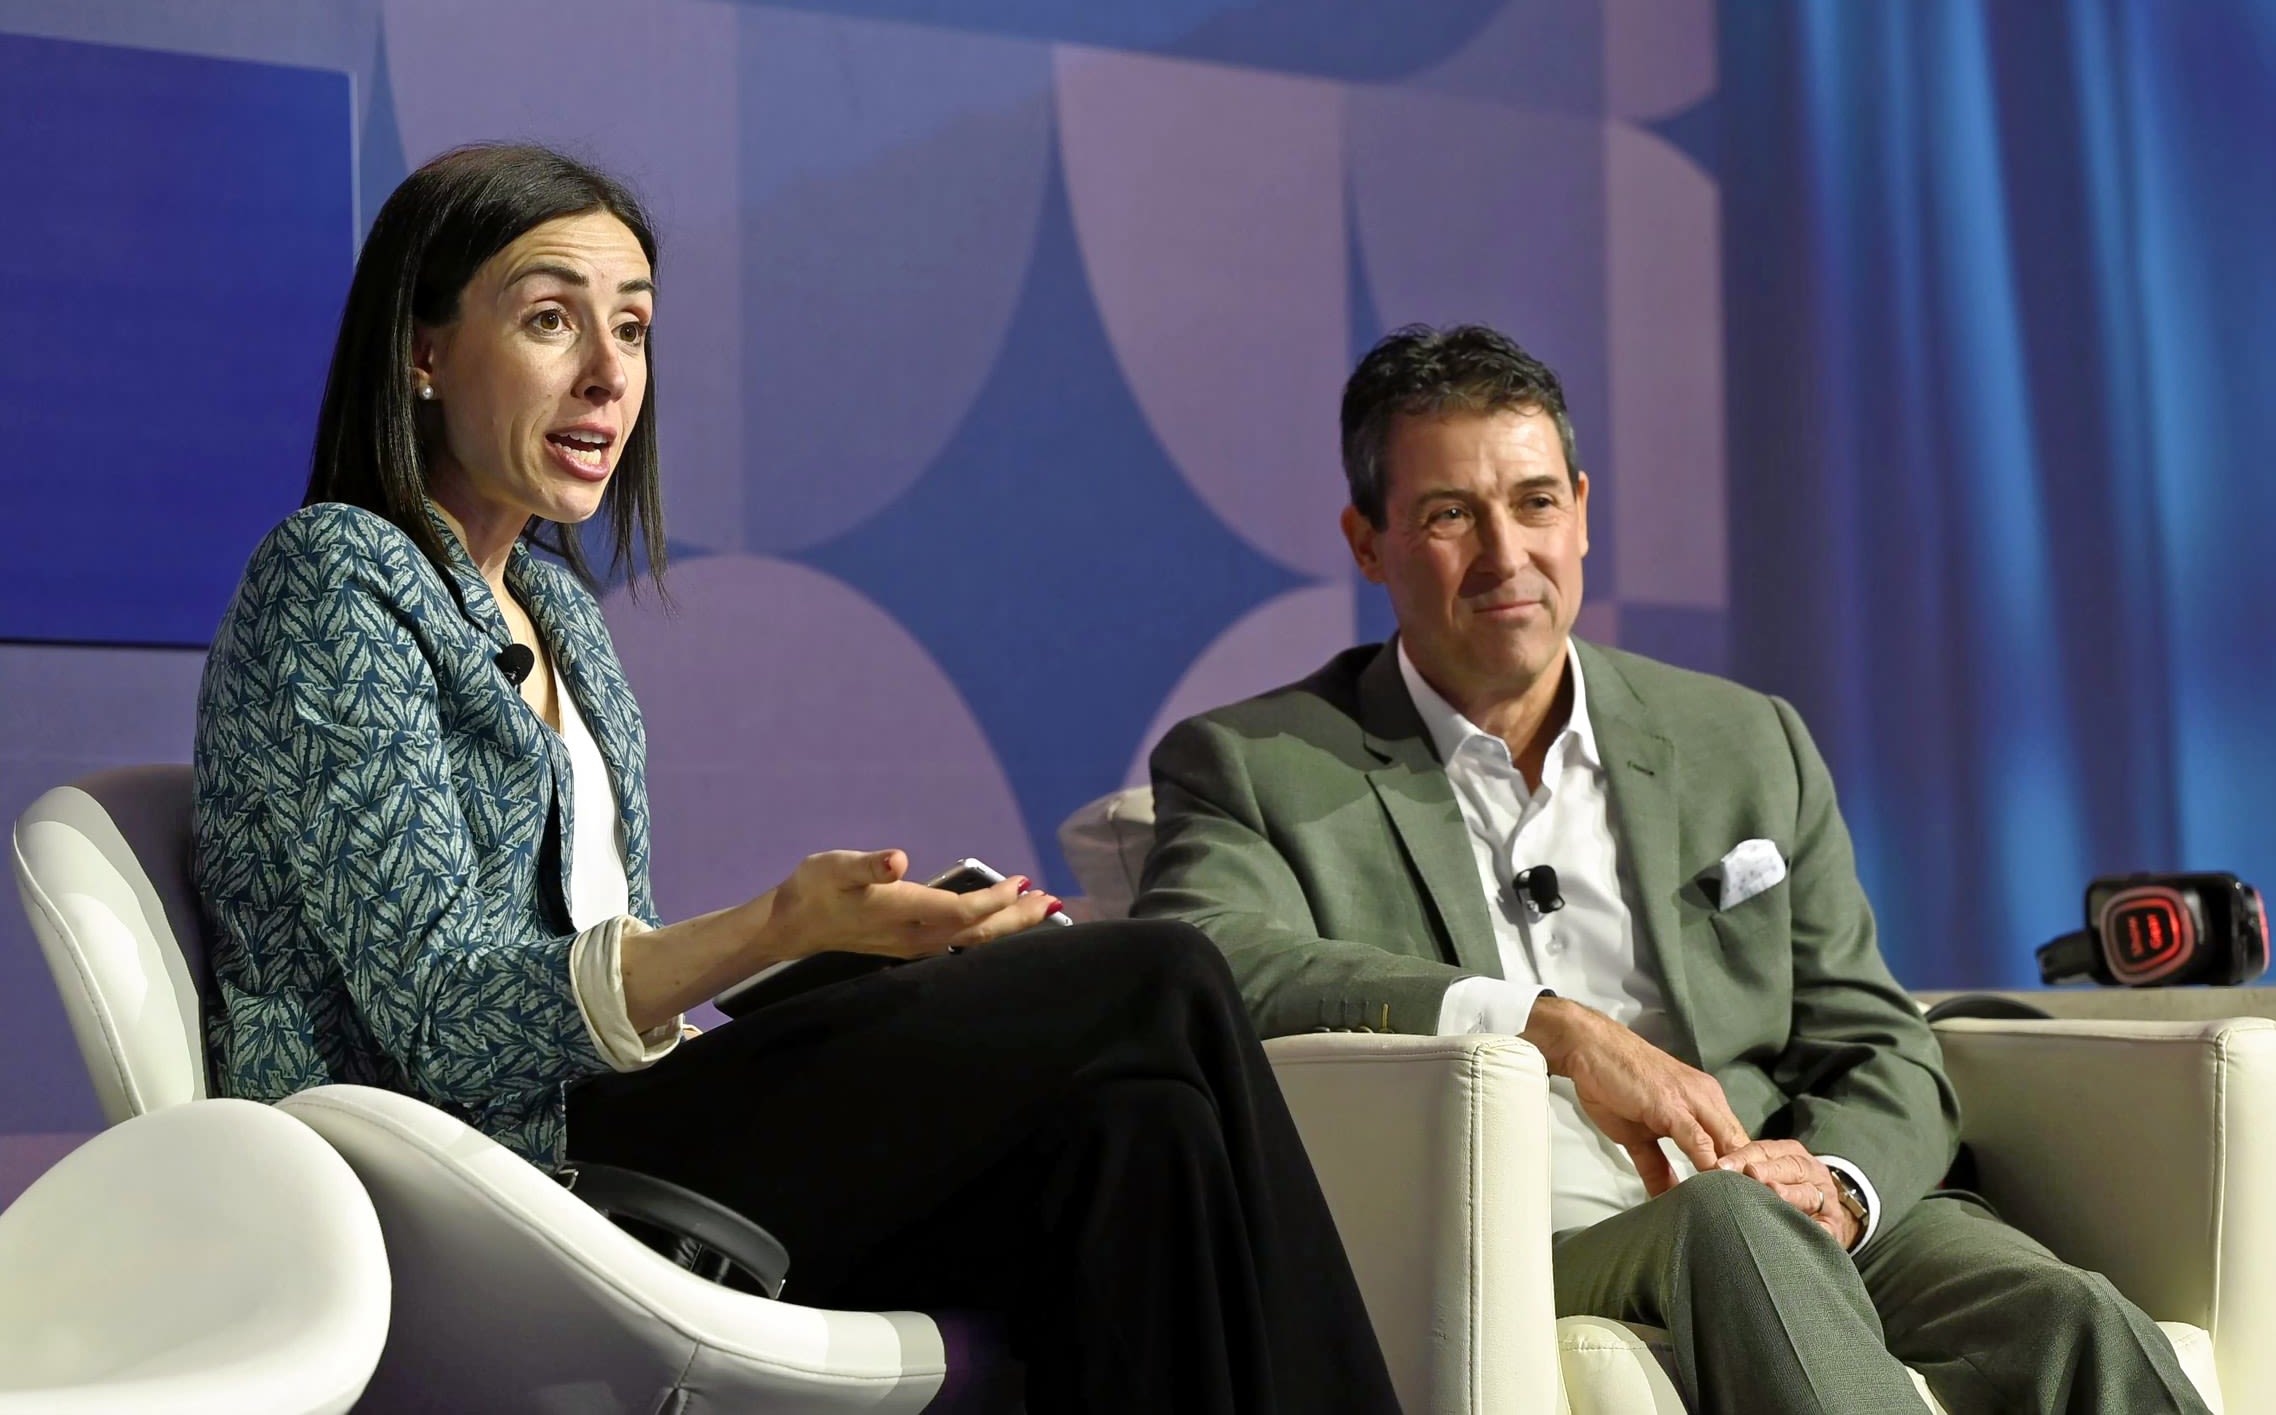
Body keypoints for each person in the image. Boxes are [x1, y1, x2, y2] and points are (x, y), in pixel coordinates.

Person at [192, 142, 1398, 1415]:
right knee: (1164, 975)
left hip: (602, 1134)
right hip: (471, 1183)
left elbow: (594, 972)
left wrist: (844, 953)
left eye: (635, 330)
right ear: (421, 354)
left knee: (1137, 1132)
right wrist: (774, 924)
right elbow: (445, 1017)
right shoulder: (335, 576)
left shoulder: (556, 607)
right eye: (551, 319)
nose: (610, 374)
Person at [1135, 323, 2210, 1414]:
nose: (1506, 555)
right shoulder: (1254, 763)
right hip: (1525, 1238)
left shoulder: (1741, 739)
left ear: (1583, 511)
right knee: (1723, 1222)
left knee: (2068, 1315)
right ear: (1367, 541)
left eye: (1536, 501)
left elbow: (1879, 1036)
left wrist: (1833, 1179)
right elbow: (1209, 959)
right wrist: (1544, 1025)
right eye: (1449, 514)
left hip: (1775, 1193)